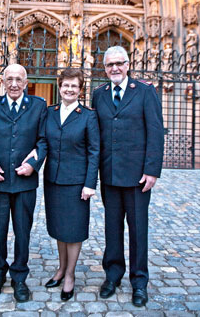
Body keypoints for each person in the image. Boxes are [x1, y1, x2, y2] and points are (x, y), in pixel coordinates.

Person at [92, 46, 164, 307]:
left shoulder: (145, 92)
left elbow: (155, 132)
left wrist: (152, 170)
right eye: (110, 64)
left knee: (138, 230)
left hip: (137, 178)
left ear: (128, 64)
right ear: (104, 68)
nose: (115, 68)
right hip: (109, 174)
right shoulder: (98, 95)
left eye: (119, 63)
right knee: (112, 229)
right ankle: (112, 275)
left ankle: (139, 281)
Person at [0, 64, 47, 302]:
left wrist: (34, 164)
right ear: (3, 81)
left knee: (22, 232)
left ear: (26, 82)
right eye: (10, 79)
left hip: (24, 182)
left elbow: (43, 140)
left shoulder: (38, 106)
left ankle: (19, 276)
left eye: (19, 79)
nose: (14, 84)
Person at [44, 69, 100, 300]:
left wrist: (90, 184)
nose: (69, 89)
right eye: (65, 85)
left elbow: (94, 151)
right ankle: (60, 268)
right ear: (59, 87)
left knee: (74, 230)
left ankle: (70, 275)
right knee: (59, 228)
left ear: (80, 89)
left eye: (74, 86)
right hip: (53, 180)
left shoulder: (88, 116)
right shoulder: (50, 113)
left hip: (77, 183)